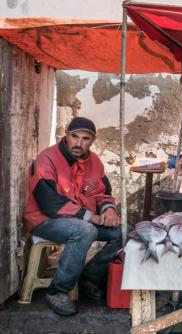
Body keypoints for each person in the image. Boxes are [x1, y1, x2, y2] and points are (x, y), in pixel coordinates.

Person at [24, 117, 122, 316]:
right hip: (44, 220)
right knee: (85, 230)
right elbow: (49, 203)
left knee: (123, 231)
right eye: (74, 136)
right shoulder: (47, 158)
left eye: (85, 138)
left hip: (80, 219)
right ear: (66, 135)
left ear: (92, 140)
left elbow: (103, 193)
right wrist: (89, 216)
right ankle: (57, 291)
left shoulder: (94, 161)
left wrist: (108, 210)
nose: (79, 143)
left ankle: (89, 277)